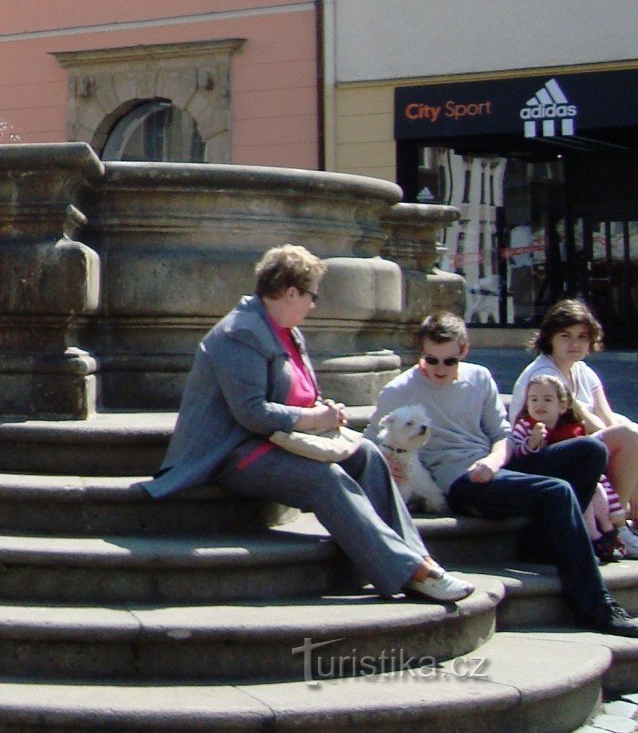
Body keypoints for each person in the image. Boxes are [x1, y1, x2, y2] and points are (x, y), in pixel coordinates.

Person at [147, 245, 473, 604]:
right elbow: (251, 414)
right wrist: (315, 417)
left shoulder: (285, 329)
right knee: (326, 478)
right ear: (291, 292)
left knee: (366, 454)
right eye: (311, 295)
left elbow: (298, 393)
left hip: (281, 439)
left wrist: (322, 409)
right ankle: (411, 573)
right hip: (233, 450)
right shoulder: (240, 332)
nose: (313, 305)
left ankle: (418, 558)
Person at [370, 311, 638, 637]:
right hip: (459, 481)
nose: (440, 370)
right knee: (556, 491)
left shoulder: (480, 377)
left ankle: (541, 544)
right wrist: (395, 464)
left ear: (464, 351)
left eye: (449, 361)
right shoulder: (399, 390)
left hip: (496, 465)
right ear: (421, 354)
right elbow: (372, 443)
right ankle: (594, 607)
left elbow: (501, 435)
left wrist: (495, 460)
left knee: (591, 451)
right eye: (431, 360)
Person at [510, 298, 638, 552]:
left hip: (591, 446)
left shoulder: (583, 371)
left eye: (582, 336)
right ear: (550, 338)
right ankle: (616, 531)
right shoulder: (545, 376)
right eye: (565, 335)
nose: (574, 344)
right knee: (629, 436)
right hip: (552, 453)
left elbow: (607, 418)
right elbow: (592, 427)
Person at [510, 372, 635, 560]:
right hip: (538, 476)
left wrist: (616, 509)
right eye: (533, 399)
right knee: (578, 495)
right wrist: (531, 443)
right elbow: (516, 456)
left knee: (597, 489)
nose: (539, 404)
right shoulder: (524, 427)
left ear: (562, 406)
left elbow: (597, 475)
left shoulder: (570, 431)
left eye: (547, 399)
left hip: (572, 481)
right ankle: (592, 539)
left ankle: (608, 532)